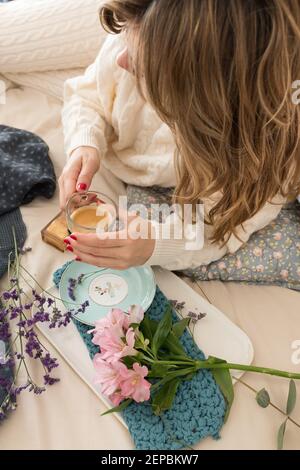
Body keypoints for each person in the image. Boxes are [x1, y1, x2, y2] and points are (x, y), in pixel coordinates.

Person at [60, 0, 300, 271]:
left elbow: (218, 229)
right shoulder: (138, 28)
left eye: (141, 66)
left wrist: (154, 245)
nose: (121, 60)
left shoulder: (259, 152)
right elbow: (87, 93)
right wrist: (85, 143)